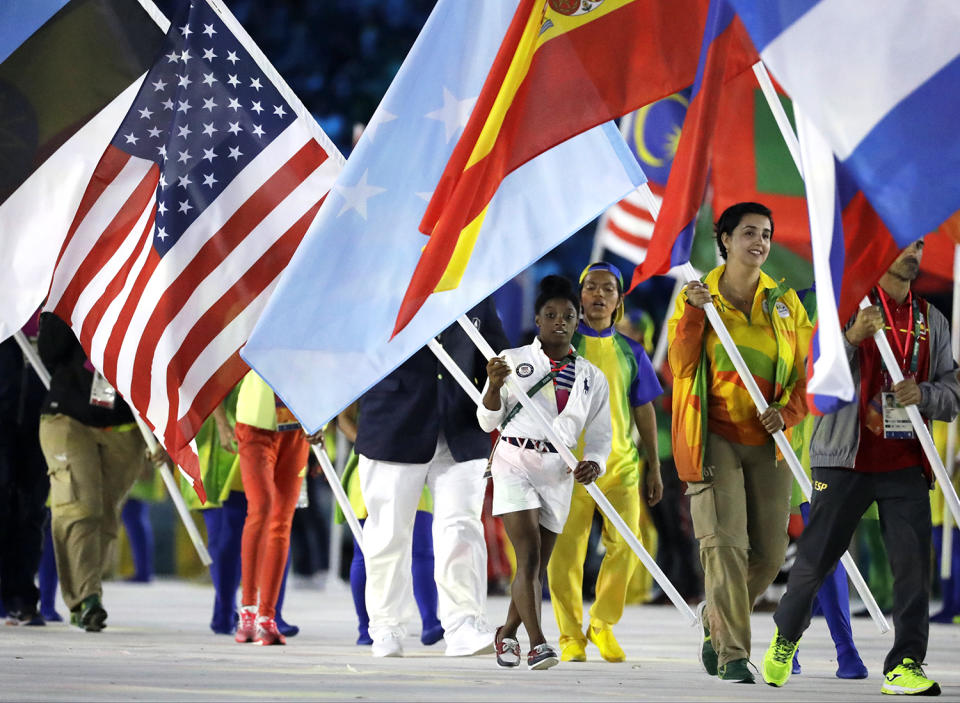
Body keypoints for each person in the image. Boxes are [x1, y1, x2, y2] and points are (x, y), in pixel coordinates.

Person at [761, 239, 960, 696]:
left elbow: (951, 390)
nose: (914, 252)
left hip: (907, 460)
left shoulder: (932, 319)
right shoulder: (845, 308)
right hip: (843, 457)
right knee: (816, 562)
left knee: (913, 569)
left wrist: (924, 395)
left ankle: (905, 664)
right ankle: (786, 636)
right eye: (904, 245)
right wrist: (850, 340)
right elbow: (816, 378)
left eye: (920, 245)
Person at [668, 202, 812, 683]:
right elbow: (682, 365)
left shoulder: (785, 301)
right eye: (749, 232)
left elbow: (807, 374)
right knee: (725, 545)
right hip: (713, 436)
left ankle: (717, 618)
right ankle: (733, 654)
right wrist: (692, 314)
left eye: (766, 234)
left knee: (770, 554)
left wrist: (787, 412)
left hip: (770, 439)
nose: (760, 242)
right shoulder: (697, 296)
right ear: (724, 239)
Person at [354, 298, 510, 658]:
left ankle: (463, 624)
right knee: (388, 532)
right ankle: (387, 626)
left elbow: (499, 354)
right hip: (393, 424)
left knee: (461, 528)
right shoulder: (382, 286)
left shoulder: (476, 288)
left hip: (461, 428)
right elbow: (353, 354)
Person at [479, 275, 612, 671]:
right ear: (537, 320)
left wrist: (596, 464)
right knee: (530, 556)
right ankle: (539, 643)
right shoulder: (512, 359)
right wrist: (491, 385)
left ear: (578, 322)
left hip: (559, 470)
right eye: (550, 314)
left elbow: (601, 436)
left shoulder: (591, 376)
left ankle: (506, 634)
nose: (559, 321)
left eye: (568, 316)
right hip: (515, 461)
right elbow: (488, 421)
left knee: (533, 566)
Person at [546, 262, 663, 663]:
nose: (598, 294)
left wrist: (654, 466)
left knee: (627, 545)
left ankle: (602, 624)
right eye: (590, 287)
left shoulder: (631, 351)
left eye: (607, 289)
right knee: (566, 554)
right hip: (564, 469)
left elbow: (644, 408)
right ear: (579, 296)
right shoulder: (556, 346)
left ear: (619, 300)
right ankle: (569, 637)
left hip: (620, 468)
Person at [37, 312, 151, 631]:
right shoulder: (72, 294)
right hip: (68, 417)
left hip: (124, 424)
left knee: (105, 515)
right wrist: (76, 314)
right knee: (79, 507)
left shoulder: (144, 298)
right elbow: (49, 352)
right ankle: (87, 598)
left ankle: (86, 594)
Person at [336, 401, 443, 647]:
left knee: (423, 548)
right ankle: (365, 628)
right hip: (372, 466)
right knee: (366, 552)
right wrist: (370, 446)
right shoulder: (367, 369)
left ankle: (430, 622)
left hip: (415, 464)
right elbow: (343, 419)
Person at [233, 370, 320, 646]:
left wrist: (322, 421)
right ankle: (247, 611)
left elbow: (325, 366)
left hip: (296, 425)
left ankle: (267, 617)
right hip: (256, 424)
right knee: (262, 508)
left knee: (282, 521)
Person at [0, 318, 49, 625]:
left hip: (42, 421)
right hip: (2, 423)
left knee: (32, 510)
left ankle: (22, 596)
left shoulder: (53, 306)